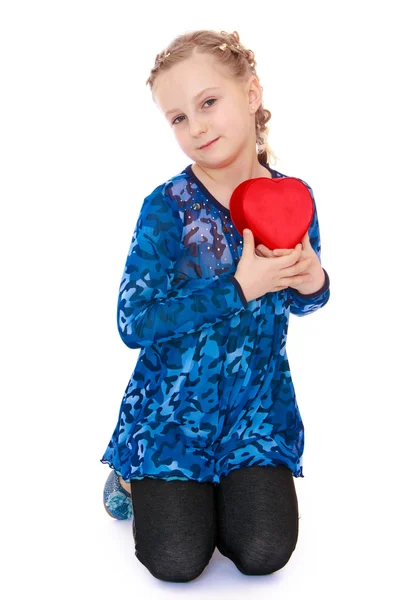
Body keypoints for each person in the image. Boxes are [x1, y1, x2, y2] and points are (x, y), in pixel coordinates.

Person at [100, 29, 330, 583]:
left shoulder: (292, 195)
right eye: (178, 117)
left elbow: (305, 300)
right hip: (174, 411)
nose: (196, 126)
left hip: (256, 406)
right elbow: (134, 321)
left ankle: (228, 480)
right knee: (177, 559)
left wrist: (313, 281)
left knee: (264, 551)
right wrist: (237, 287)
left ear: (250, 93)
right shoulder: (167, 208)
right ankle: (135, 476)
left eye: (208, 102)